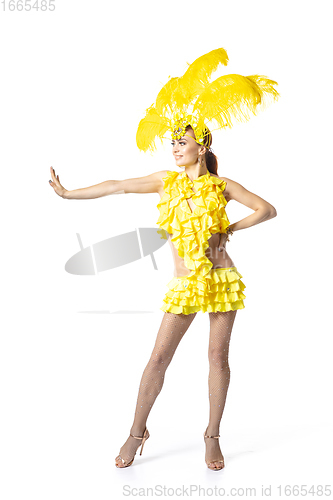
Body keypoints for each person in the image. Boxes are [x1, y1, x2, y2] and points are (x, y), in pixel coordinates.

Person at [49, 47, 279, 470]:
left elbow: (267, 210)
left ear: (202, 143)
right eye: (172, 141)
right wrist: (69, 193)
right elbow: (117, 185)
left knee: (218, 358)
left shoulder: (222, 185)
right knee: (158, 358)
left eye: (182, 141)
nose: (175, 147)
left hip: (222, 279)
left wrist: (230, 229)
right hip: (186, 283)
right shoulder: (164, 182)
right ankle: (137, 432)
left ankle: (212, 436)